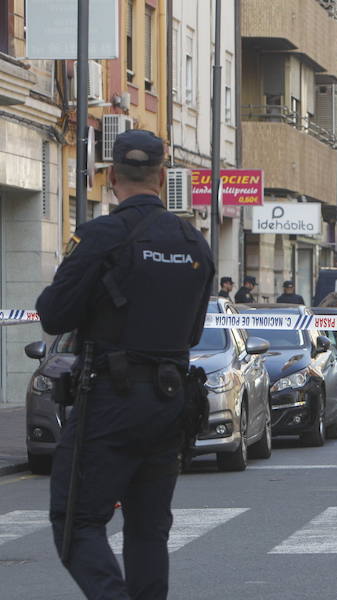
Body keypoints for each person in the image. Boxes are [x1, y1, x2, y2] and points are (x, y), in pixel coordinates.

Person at [35, 129, 214, 599]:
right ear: (162, 175)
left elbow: (54, 316)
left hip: (110, 399)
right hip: (171, 401)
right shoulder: (193, 242)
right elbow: (192, 333)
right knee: (148, 529)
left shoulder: (100, 236)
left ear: (111, 175)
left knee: (76, 522)